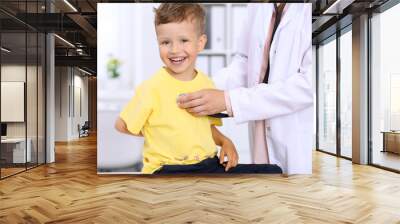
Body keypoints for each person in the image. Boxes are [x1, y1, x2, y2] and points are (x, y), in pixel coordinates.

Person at [114, 3, 282, 174]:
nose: (174, 50)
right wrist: (157, 134)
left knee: (272, 171)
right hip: (167, 169)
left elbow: (205, 128)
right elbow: (122, 125)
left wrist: (225, 142)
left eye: (184, 40)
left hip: (207, 165)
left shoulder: (206, 84)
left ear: (200, 43)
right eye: (165, 42)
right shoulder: (151, 88)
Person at [177, 3, 313, 175]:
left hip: (294, 132)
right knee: (265, 186)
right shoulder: (258, 7)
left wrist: (229, 100)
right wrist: (204, 89)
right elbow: (245, 61)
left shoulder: (309, 10)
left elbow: (306, 86)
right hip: (260, 131)